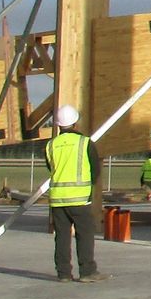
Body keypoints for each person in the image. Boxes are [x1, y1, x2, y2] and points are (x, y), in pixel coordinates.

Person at [47, 103, 105, 282]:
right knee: (85, 234)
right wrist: (88, 186)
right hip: (79, 198)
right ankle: (87, 271)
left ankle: (63, 273)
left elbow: (51, 167)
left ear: (58, 125)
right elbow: (95, 170)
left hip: (57, 199)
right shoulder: (85, 143)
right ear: (75, 123)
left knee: (62, 237)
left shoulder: (51, 145)